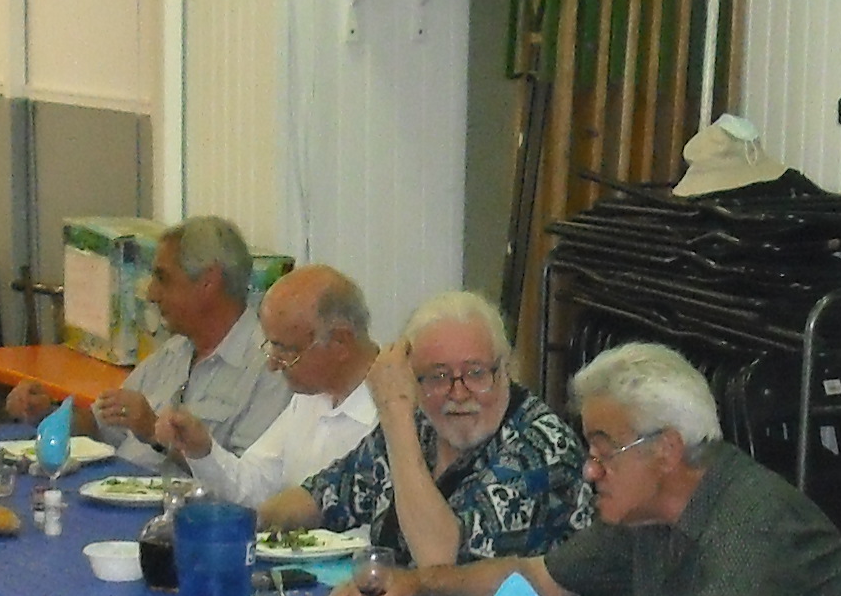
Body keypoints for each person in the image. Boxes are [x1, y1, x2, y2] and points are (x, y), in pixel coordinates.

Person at [344, 341, 841, 596]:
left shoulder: (753, 511)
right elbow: (540, 577)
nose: (589, 470)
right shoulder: (645, 513)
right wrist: (418, 583)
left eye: (603, 451)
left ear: (666, 449)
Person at [263, 291, 587, 564]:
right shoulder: (423, 425)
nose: (458, 394)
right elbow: (323, 495)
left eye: (476, 373)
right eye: (438, 376)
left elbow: (439, 562)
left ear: (505, 370)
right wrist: (248, 526)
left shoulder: (541, 446)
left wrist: (394, 414)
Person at [161, 265, 378, 505]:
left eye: (286, 350)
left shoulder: (389, 415)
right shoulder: (310, 397)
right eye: (272, 347)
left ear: (340, 343)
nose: (273, 365)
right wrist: (202, 450)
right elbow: (254, 485)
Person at [89, 215, 290, 459]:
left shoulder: (269, 368)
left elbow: (242, 477)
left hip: (175, 486)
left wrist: (154, 432)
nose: (151, 294)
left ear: (208, 282)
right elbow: (103, 426)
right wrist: (56, 415)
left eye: (163, 279)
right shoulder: (173, 351)